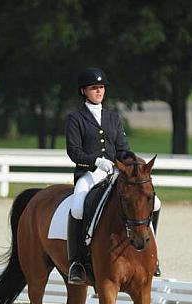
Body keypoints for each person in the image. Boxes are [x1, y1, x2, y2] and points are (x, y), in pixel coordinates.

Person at [65, 67, 162, 285]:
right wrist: (95, 161)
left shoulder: (113, 117)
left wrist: (133, 161)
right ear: (84, 91)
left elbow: (122, 148)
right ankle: (77, 262)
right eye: (93, 88)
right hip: (90, 173)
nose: (98, 92)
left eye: (101, 88)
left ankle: (152, 256)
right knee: (78, 205)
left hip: (116, 171)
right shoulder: (75, 118)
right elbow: (73, 151)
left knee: (154, 203)